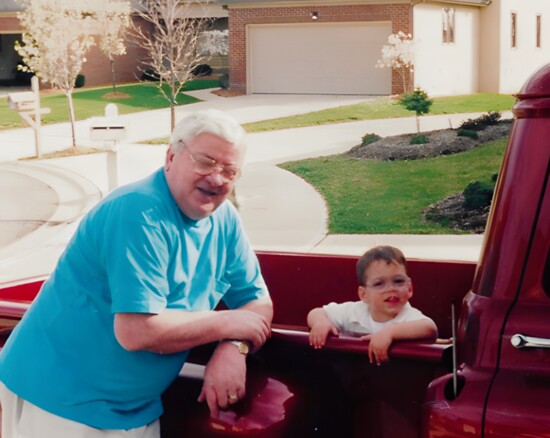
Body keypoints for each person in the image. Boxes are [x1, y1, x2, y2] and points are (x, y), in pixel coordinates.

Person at [0, 109, 273, 437]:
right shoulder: (139, 212)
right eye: (205, 162)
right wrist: (230, 322)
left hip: (134, 405)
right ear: (171, 157)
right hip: (60, 397)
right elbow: (137, 331)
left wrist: (233, 347)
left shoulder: (224, 218)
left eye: (230, 170)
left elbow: (257, 303)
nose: (217, 178)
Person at [307, 245, 437, 365]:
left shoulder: (408, 316)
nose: (391, 288)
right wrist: (321, 323)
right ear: (364, 295)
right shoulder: (355, 311)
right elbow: (316, 312)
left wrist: (389, 333)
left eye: (398, 281)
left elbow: (429, 328)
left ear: (409, 289)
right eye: (379, 284)